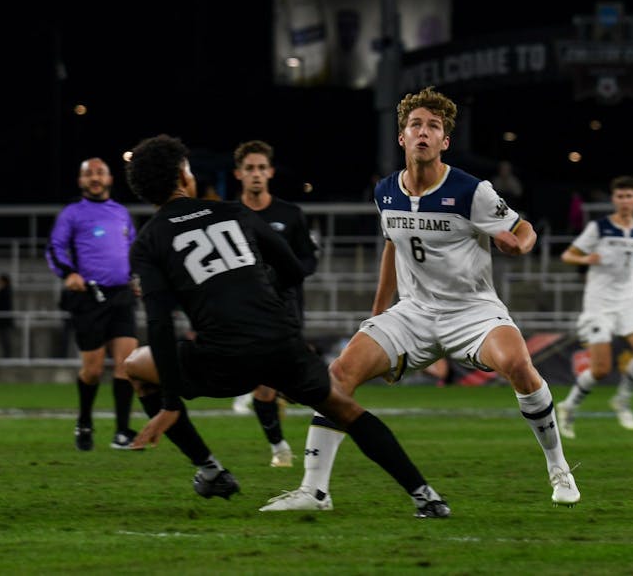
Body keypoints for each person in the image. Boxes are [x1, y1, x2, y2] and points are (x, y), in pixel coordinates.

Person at [260, 86, 579, 513]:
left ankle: (558, 467)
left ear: (445, 140)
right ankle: (314, 491)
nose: (423, 132)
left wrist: (518, 247)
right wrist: (377, 321)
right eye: (416, 125)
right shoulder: (386, 192)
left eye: (433, 126)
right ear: (402, 137)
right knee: (337, 375)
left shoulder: (471, 191)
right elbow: (393, 247)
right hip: (412, 313)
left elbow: (524, 230)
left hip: (472, 311)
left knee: (520, 365)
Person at [122, 133, 450, 519]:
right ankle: (425, 496)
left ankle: (211, 471)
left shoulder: (148, 241)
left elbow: (159, 323)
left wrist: (170, 402)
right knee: (343, 408)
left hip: (223, 357)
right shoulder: (234, 212)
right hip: (280, 341)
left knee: (134, 367)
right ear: (183, 175)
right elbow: (294, 269)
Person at [230, 139, 319, 468]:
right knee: (264, 385)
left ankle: (286, 396)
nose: (256, 174)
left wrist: (284, 274)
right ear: (238, 174)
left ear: (269, 172)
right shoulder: (229, 216)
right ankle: (280, 448)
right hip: (246, 312)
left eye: (261, 168)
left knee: (292, 384)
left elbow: (309, 261)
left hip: (287, 310)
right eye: (249, 169)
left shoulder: (289, 215)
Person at [46, 157, 140, 451]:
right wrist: (69, 273)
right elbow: (55, 247)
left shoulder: (122, 213)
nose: (95, 178)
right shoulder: (72, 213)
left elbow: (134, 250)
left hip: (122, 295)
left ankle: (122, 432)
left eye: (100, 173)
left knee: (127, 366)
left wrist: (136, 277)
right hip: (90, 298)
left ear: (110, 179)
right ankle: (84, 421)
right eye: (89, 174)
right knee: (93, 370)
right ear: (81, 181)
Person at [557, 175, 633, 438]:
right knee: (601, 370)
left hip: (628, 304)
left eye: (629, 196)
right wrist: (586, 259)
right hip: (599, 306)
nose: (624, 201)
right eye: (620, 196)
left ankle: (622, 401)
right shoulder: (599, 228)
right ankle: (568, 406)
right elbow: (568, 254)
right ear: (614, 199)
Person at [0, 273, 14, 358]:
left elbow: (0, 303)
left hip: (4, 319)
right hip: (1, 319)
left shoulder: (6, 291)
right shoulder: (3, 291)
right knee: (3, 338)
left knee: (5, 338)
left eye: (1, 281)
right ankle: (6, 355)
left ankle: (7, 356)